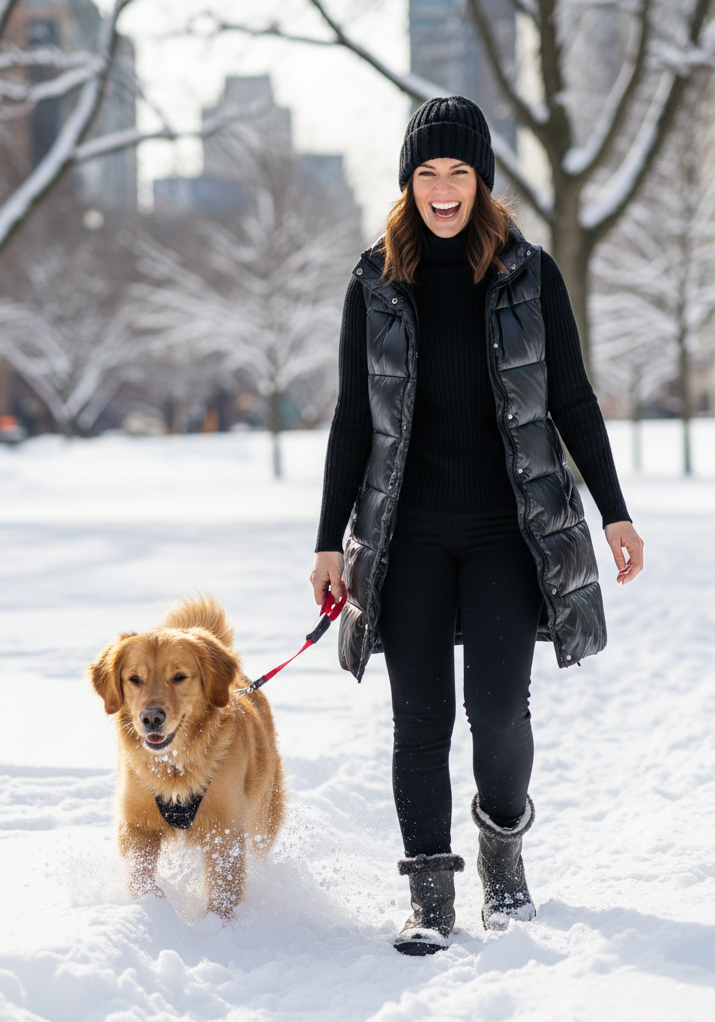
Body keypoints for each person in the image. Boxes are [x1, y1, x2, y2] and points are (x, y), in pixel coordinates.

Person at [310, 97, 643, 956]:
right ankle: (429, 894)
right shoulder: (375, 280)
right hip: (409, 536)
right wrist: (324, 541)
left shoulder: (529, 275)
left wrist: (614, 511)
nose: (444, 189)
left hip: (505, 531)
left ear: (483, 181)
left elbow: (570, 397)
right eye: (428, 173)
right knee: (420, 718)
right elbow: (355, 419)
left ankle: (504, 853)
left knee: (499, 711)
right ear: (408, 184)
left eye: (459, 172)